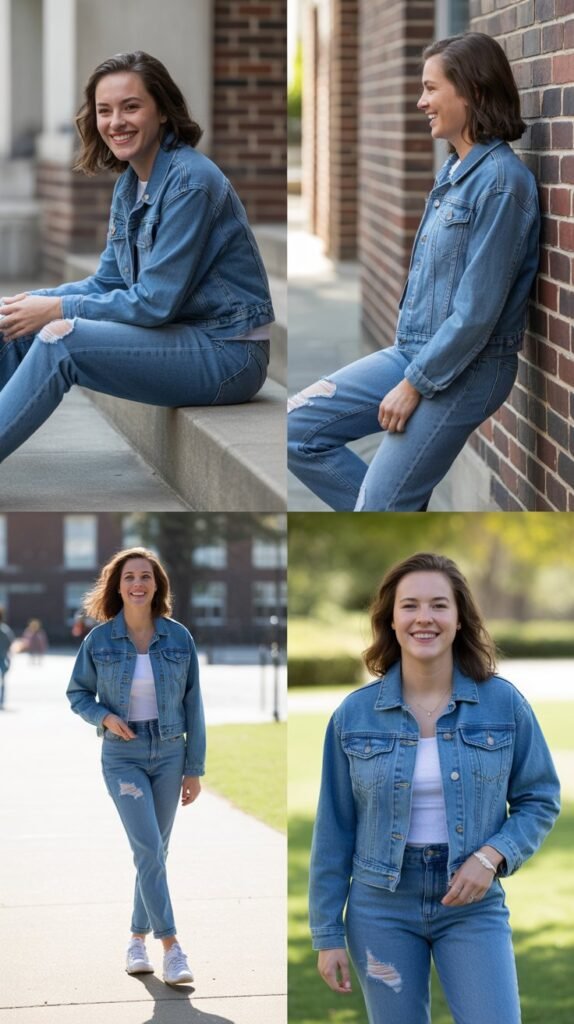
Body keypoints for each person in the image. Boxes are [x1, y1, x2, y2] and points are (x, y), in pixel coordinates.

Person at [288, 33, 540, 511]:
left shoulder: (502, 185)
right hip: (415, 352)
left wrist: (414, 385)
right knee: (295, 429)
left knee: (380, 508)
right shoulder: (454, 172)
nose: (421, 101)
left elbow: (476, 313)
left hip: (467, 368)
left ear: (474, 92)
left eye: (431, 88)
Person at [309, 552, 560, 1023]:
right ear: (391, 619)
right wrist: (326, 934)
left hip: (472, 905)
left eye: (439, 605)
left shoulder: (503, 704)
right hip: (379, 906)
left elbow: (539, 798)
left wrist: (491, 857)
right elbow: (334, 829)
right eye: (410, 606)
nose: (424, 617)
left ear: (460, 618)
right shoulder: (353, 715)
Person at [0, 50, 274, 466]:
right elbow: (107, 284)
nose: (116, 122)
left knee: (61, 339)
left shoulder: (189, 183)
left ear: (162, 110)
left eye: (131, 107)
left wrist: (54, 308)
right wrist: (29, 304)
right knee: (10, 321)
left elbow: (153, 302)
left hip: (227, 353)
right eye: (104, 110)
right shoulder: (132, 184)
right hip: (180, 337)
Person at [67, 546, 205, 985]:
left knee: (156, 853)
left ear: (157, 585)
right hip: (122, 756)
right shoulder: (100, 639)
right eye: (129, 577)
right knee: (148, 849)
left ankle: (135, 939)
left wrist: (194, 768)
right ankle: (173, 948)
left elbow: (194, 705)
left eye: (145, 576)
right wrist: (104, 716)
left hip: (169, 753)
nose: (137, 584)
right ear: (118, 585)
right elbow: (77, 694)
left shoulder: (179, 638)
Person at [0, 607, 15, 709]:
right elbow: (10, 645)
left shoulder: (5, 630)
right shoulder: (5, 630)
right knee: (3, 680)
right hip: (2, 657)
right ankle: (1, 700)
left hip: (2, 657)